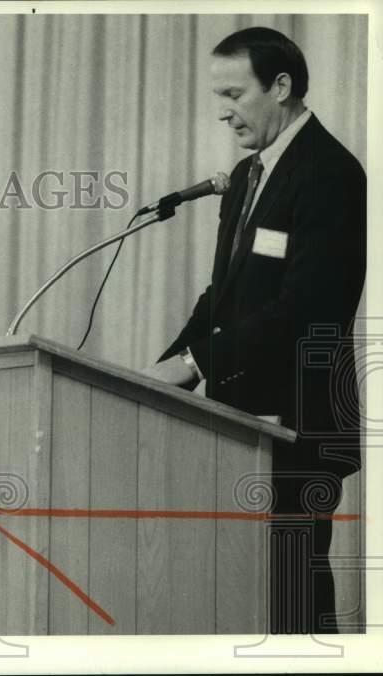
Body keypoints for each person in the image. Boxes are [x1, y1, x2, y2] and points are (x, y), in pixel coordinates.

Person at [143, 27, 366, 634]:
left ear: (282, 86)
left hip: (296, 426)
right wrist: (154, 375)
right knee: (242, 600)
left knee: (291, 598)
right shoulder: (245, 176)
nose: (223, 111)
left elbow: (311, 306)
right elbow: (223, 298)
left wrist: (193, 362)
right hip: (237, 420)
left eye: (235, 94)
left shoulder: (331, 173)